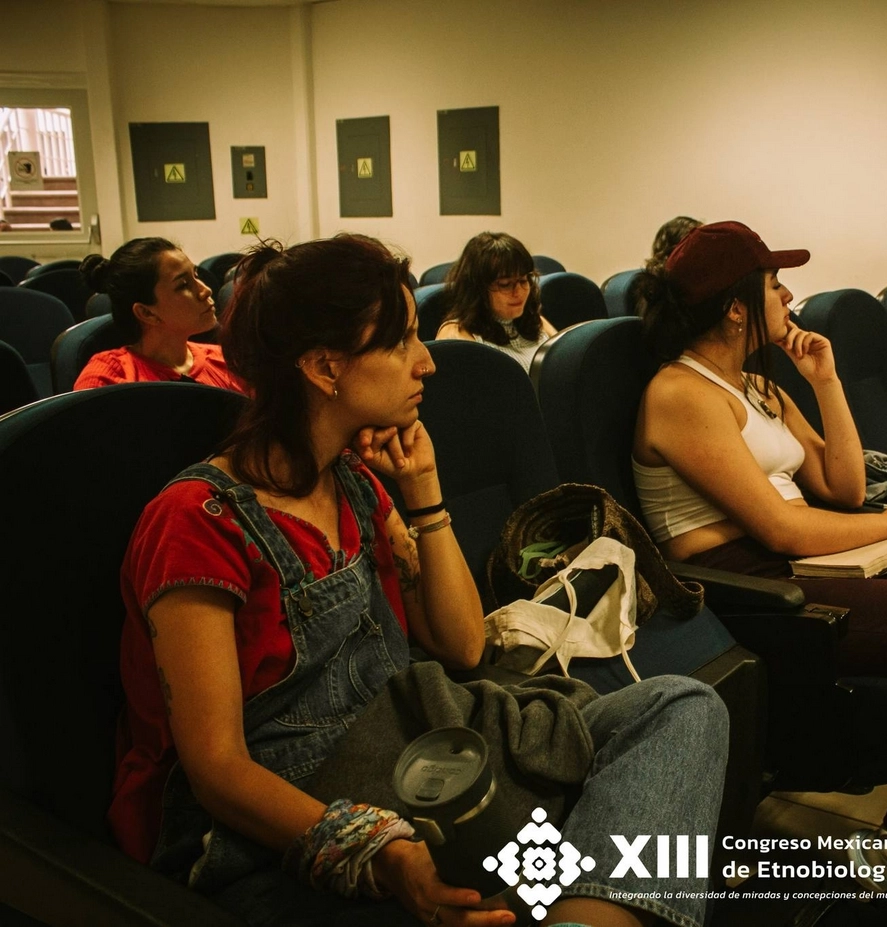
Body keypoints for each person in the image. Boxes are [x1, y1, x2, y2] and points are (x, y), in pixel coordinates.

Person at [108, 233, 728, 927]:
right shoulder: (197, 520)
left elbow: (463, 646)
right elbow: (217, 770)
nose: (426, 360)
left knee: (680, 705)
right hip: (289, 813)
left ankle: (569, 905)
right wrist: (380, 849)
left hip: (413, 754)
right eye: (402, 340)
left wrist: (424, 493)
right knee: (541, 859)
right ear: (325, 366)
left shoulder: (354, 484)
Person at [631, 221, 887, 927]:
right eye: (774, 285)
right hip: (747, 581)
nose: (788, 295)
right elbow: (779, 528)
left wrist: (825, 381)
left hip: (811, 551)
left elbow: (845, 486)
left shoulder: (758, 385)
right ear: (735, 307)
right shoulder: (681, 392)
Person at [74, 238, 245, 391]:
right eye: (183, 285)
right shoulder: (107, 379)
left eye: (196, 275)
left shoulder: (226, 361)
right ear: (147, 313)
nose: (205, 290)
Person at [435, 232, 557, 370]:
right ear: (478, 289)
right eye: (505, 284)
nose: (519, 292)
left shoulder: (534, 319)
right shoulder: (456, 334)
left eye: (523, 280)